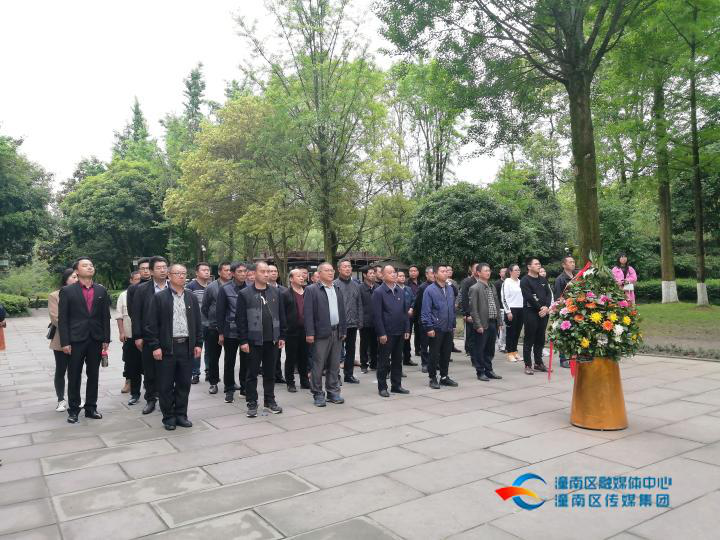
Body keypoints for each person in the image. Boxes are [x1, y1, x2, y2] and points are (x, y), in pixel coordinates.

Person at [145, 264, 202, 431]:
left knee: (184, 383)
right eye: (178, 273)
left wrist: (198, 343)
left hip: (186, 346)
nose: (182, 276)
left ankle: (181, 414)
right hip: (166, 348)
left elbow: (197, 323)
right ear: (169, 276)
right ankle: (168, 416)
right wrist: (155, 346)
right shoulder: (159, 297)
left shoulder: (191, 297)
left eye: (184, 273)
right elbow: (151, 325)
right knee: (165, 385)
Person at [58, 257, 111, 424]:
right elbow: (63, 319)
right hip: (75, 340)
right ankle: (73, 410)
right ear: (76, 271)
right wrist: (65, 342)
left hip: (95, 338)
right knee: (74, 375)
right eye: (85, 265)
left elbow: (105, 316)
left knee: (93, 374)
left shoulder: (101, 290)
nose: (89, 267)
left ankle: (91, 408)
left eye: (91, 265)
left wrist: (106, 338)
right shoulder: (67, 291)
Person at [237, 261, 286, 417]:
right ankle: (252, 402)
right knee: (251, 373)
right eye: (263, 271)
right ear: (254, 273)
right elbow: (240, 319)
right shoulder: (245, 293)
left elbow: (281, 315)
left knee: (270, 373)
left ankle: (269, 401)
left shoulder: (276, 292)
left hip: (272, 340)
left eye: (268, 271)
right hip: (253, 340)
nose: (266, 274)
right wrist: (243, 340)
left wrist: (282, 335)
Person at [304, 262, 347, 407]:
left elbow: (342, 311)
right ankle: (317, 393)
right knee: (318, 364)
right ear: (319, 273)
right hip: (320, 333)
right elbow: (308, 313)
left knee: (334, 364)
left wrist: (343, 330)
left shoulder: (337, 288)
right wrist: (310, 333)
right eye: (327, 270)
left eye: (332, 270)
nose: (330, 273)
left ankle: (333, 391)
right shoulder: (311, 290)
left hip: (337, 331)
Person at [131, 256, 169, 415]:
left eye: (165, 267)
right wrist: (138, 336)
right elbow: (136, 314)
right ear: (152, 271)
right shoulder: (141, 289)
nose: (163, 270)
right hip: (148, 336)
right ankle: (151, 399)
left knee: (168, 370)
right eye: (159, 268)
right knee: (150, 370)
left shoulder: (173, 287)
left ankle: (166, 399)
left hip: (169, 336)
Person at [373, 265, 411, 397]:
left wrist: (407, 328)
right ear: (383, 276)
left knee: (397, 360)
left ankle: (396, 385)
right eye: (390, 273)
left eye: (394, 272)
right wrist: (381, 333)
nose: (393, 274)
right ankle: (382, 387)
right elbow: (377, 315)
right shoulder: (379, 292)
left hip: (400, 331)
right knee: (384, 361)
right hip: (387, 332)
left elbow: (405, 312)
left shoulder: (400, 290)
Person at [421, 265, 458, 389]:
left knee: (446, 354)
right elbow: (425, 310)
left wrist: (453, 324)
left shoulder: (450, 289)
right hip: (436, 327)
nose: (445, 273)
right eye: (442, 271)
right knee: (434, 354)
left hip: (448, 327)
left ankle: (444, 376)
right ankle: (432, 378)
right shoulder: (430, 290)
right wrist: (429, 327)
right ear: (435, 274)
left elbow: (452, 308)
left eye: (446, 271)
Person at [215, 262, 248, 403]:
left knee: (246, 361)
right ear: (233, 273)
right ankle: (229, 389)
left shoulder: (250, 287)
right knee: (229, 361)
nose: (243, 274)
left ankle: (245, 388)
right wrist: (221, 333)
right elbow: (220, 312)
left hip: (247, 331)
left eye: (245, 271)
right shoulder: (225, 289)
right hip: (230, 331)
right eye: (239, 271)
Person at [48, 268, 78, 412]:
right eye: (73, 277)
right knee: (61, 369)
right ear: (65, 279)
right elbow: (56, 318)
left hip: (79, 338)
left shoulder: (82, 293)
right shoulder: (55, 295)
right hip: (61, 338)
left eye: (77, 276)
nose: (76, 279)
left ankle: (75, 397)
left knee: (75, 370)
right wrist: (78, 325)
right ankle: (61, 399)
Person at [201, 261, 231, 394]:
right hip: (214, 328)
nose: (229, 272)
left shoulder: (235, 286)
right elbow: (205, 307)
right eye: (226, 270)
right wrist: (211, 322)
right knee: (213, 357)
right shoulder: (211, 287)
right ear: (219, 272)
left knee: (230, 357)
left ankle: (230, 382)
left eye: (230, 270)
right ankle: (213, 382)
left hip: (230, 327)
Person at [469, 263, 504, 381]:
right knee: (480, 349)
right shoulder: (475, 288)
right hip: (482, 323)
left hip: (493, 322)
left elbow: (497, 304)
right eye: (485, 271)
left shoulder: (491, 286)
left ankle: (489, 370)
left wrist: (499, 321)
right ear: (478, 273)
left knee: (490, 349)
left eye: (489, 270)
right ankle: (480, 371)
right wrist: (478, 325)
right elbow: (473, 309)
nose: (488, 273)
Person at [520, 257, 552, 375]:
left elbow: (548, 294)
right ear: (529, 267)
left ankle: (538, 363)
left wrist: (546, 307)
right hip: (531, 312)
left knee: (540, 338)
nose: (539, 265)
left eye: (539, 264)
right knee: (529, 338)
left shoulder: (542, 279)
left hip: (543, 312)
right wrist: (540, 308)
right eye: (536, 264)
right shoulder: (525, 280)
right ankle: (528, 364)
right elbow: (529, 297)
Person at [334, 259, 364, 384]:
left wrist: (360, 320)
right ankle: (335, 376)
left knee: (351, 350)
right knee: (336, 352)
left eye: (349, 266)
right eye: (344, 266)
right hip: (338, 325)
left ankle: (349, 374)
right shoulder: (334, 285)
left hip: (352, 324)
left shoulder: (356, 285)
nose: (347, 269)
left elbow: (359, 304)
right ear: (339, 269)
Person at [115, 271, 142, 405]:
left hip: (146, 336)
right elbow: (119, 316)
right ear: (131, 281)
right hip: (130, 334)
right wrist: (121, 332)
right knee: (131, 362)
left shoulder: (149, 292)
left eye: (140, 279)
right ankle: (132, 387)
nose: (138, 281)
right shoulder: (124, 295)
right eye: (136, 279)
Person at [282, 268, 310, 392]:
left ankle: (305, 381)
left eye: (302, 275)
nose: (301, 277)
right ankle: (290, 382)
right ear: (291, 279)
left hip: (306, 330)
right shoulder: (285, 294)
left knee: (304, 356)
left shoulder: (308, 292)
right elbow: (282, 313)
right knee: (291, 357)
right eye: (298, 276)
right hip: (291, 331)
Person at [186, 262, 211, 384]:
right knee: (197, 348)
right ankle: (195, 373)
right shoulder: (190, 286)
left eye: (208, 270)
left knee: (210, 350)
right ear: (197, 272)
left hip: (210, 324)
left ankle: (209, 372)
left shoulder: (211, 286)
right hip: (196, 324)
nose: (206, 272)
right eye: (203, 270)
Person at [554, 256, 576, 368]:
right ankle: (563, 359)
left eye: (573, 262)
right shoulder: (560, 279)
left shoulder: (577, 277)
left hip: (576, 309)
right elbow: (558, 298)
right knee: (564, 335)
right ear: (564, 265)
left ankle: (574, 358)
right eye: (570, 262)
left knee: (575, 334)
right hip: (565, 311)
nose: (573, 263)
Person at [413, 266, 435, 373]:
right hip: (424, 320)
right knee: (424, 344)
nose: (433, 275)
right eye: (431, 273)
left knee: (435, 344)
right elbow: (418, 304)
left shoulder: (439, 286)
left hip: (435, 320)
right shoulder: (422, 287)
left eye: (435, 273)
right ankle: (425, 363)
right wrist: (420, 320)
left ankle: (434, 363)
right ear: (426, 274)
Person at [267, 264, 287, 384]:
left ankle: (278, 374)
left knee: (277, 352)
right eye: (271, 271)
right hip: (265, 326)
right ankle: (268, 374)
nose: (274, 273)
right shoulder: (261, 289)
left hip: (278, 325)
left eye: (275, 271)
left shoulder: (283, 290)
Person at [501, 264, 524, 363]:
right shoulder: (507, 282)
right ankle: (510, 352)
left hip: (521, 309)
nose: (518, 272)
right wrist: (508, 311)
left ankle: (515, 351)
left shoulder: (521, 282)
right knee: (511, 332)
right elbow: (504, 298)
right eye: (516, 270)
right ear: (510, 272)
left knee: (517, 332)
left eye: (519, 270)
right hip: (511, 310)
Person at [358, 267, 378, 374]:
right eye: (370, 273)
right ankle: (363, 364)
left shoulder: (377, 287)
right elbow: (358, 305)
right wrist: (360, 320)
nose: (373, 275)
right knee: (364, 344)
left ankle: (374, 363)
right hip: (365, 321)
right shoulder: (360, 288)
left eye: (374, 273)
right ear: (365, 275)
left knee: (375, 343)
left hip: (376, 321)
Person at [396, 270, 417, 368]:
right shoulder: (395, 289)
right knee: (399, 340)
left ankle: (407, 358)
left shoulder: (408, 289)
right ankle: (398, 360)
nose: (402, 278)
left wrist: (411, 308)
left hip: (408, 317)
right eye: (400, 276)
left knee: (407, 338)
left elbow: (413, 299)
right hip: (398, 318)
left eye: (403, 276)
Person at [459, 264, 480, 358]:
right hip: (471, 312)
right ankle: (471, 352)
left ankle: (478, 352)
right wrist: (466, 314)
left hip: (481, 313)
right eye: (476, 268)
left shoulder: (483, 281)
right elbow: (464, 298)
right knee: (471, 334)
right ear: (472, 270)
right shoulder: (467, 281)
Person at [494, 268, 508, 353]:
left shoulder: (509, 282)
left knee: (507, 329)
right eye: (503, 271)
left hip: (508, 308)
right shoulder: (497, 283)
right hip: (500, 308)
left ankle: (505, 344)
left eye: (506, 271)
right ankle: (501, 345)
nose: (505, 273)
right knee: (502, 328)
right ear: (500, 274)